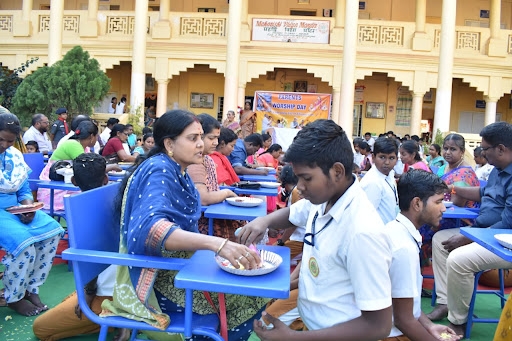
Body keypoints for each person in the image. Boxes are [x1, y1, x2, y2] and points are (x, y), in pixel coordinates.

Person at [100, 110, 270, 340]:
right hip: (156, 276)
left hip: (180, 264)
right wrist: (216, 244)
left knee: (252, 284)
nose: (201, 144)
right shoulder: (159, 169)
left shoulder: (177, 169)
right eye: (193, 138)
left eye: (202, 137)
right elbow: (152, 229)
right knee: (254, 293)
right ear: (169, 143)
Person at [240, 119, 393, 340]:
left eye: (306, 178)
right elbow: (293, 214)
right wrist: (263, 222)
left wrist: (293, 338)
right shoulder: (323, 198)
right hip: (315, 324)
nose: (300, 187)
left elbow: (378, 326)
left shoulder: (362, 232)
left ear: (337, 172)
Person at [427, 122, 512, 337]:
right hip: (484, 233)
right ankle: (445, 301)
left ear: (501, 149)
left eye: (485, 149)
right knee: (439, 239)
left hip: (504, 242)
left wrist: (468, 237)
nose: (481, 153)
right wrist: (452, 188)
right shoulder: (497, 170)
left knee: (459, 260)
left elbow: (507, 224)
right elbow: (483, 195)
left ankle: (459, 321)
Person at [32, 153, 129, 341]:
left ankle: (113, 320)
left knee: (41, 329)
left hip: (108, 295)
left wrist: (89, 293)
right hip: (127, 288)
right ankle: (111, 319)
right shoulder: (115, 196)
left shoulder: (82, 212)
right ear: (106, 178)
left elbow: (93, 261)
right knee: (67, 303)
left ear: (74, 180)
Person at [382, 170, 461, 341]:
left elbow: (406, 306)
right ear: (417, 204)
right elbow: (403, 320)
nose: (443, 208)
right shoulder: (403, 248)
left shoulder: (396, 230)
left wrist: (429, 326)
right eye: (439, 201)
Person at [0, 113, 63, 317]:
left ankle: (31, 288)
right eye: (1, 139)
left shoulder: (14, 156)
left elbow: (23, 187)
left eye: (10, 141)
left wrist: (27, 207)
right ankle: (13, 297)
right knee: (24, 244)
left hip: (15, 209)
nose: (5, 145)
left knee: (53, 231)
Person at [419, 134, 479, 269]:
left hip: (459, 219)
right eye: (445, 148)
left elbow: (457, 204)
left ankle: (419, 273)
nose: (447, 152)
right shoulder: (444, 168)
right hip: (441, 212)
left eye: (453, 149)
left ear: (462, 152)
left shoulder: (465, 173)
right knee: (413, 224)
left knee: (419, 231)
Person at [188, 114, 242, 241]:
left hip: (213, 214)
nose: (216, 143)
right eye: (211, 138)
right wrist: (227, 192)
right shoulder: (195, 162)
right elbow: (203, 198)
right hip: (202, 223)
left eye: (217, 138)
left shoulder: (207, 159)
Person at [38, 120, 99, 211]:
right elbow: (87, 168)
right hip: (52, 191)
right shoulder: (73, 144)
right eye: (97, 135)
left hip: (64, 185)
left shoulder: (83, 147)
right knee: (91, 196)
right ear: (91, 136)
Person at [360, 137, 399, 224]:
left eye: (391, 158)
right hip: (379, 234)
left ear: (397, 159)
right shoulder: (373, 182)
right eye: (382, 157)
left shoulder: (389, 175)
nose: (387, 162)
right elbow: (366, 217)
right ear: (373, 157)